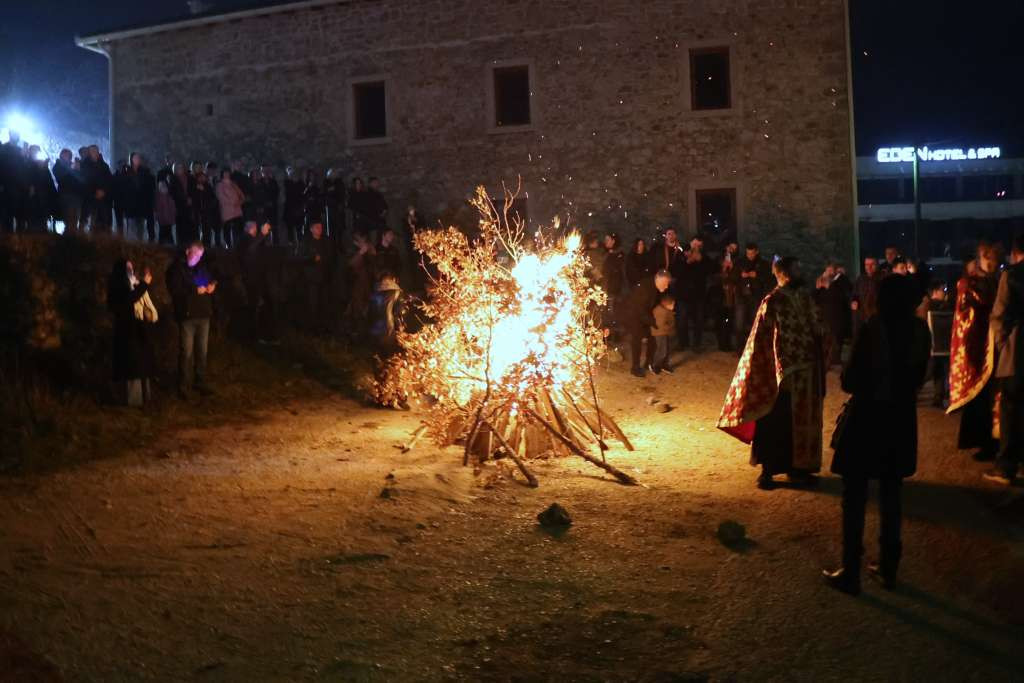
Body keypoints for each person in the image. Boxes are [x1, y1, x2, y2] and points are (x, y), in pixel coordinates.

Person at [824, 275, 931, 595]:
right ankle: (888, 569)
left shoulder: (873, 328)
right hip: (900, 419)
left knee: (855, 495)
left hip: (868, 417)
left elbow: (851, 379)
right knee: (891, 494)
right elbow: (918, 377)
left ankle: (851, 571)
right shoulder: (920, 331)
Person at [718, 257, 827, 489]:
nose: (799, 273)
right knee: (774, 421)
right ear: (783, 274)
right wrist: (766, 369)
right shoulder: (773, 301)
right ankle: (767, 471)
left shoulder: (806, 298)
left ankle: (799, 470)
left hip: (806, 372)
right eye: (795, 270)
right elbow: (761, 339)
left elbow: (818, 328)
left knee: (803, 422)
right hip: (781, 375)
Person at [948, 242, 1001, 461]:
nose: (989, 261)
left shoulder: (1000, 280)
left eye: (993, 257)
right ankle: (984, 442)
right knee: (981, 399)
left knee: (998, 398)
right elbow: (969, 315)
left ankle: (998, 442)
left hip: (998, 347)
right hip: (979, 347)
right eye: (985, 257)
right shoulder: (969, 284)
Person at [985, 235, 1024, 485]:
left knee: (1011, 407)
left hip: (1018, 350)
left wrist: (1003, 344)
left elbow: (999, 316)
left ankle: (1006, 465)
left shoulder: (1011, 275)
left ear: (1016, 253)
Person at [166, 242, 216, 399]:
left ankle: (199, 381)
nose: (197, 258)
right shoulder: (176, 269)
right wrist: (194, 290)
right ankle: (183, 386)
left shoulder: (201, 267)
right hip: (187, 316)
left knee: (202, 351)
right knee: (186, 352)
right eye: (195, 254)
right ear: (187, 251)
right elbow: (175, 289)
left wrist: (212, 285)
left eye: (200, 256)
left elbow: (212, 279)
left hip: (203, 314)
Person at [107, 259, 158, 406]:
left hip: (137, 329)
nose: (130, 270)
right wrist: (143, 285)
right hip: (126, 330)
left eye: (131, 267)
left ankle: (144, 398)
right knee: (131, 366)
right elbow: (129, 299)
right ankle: (133, 401)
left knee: (142, 364)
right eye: (127, 268)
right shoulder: (118, 286)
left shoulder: (131, 283)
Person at [620, 269, 672, 378]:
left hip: (645, 314)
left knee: (652, 339)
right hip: (633, 315)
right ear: (659, 280)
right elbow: (639, 309)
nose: (667, 287)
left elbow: (654, 304)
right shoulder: (644, 288)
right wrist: (653, 321)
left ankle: (649, 362)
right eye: (665, 284)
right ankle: (635, 367)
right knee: (636, 341)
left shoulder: (657, 288)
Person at [297, 220, 336, 333]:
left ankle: (323, 326)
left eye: (321, 227)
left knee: (324, 302)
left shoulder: (325, 241)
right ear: (312, 229)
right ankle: (312, 327)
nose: (320, 229)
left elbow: (330, 256)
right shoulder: (307, 242)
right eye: (317, 227)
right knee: (312, 302)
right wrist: (312, 259)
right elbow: (301, 258)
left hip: (324, 277)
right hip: (311, 278)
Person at [731, 242, 771, 352]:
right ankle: (740, 348)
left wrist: (757, 275)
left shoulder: (763, 264)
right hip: (741, 296)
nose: (750, 256)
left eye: (752, 253)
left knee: (756, 324)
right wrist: (740, 275)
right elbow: (732, 277)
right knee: (739, 323)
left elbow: (768, 278)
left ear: (756, 252)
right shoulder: (740, 262)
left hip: (756, 296)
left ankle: (755, 348)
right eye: (748, 253)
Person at [815, 260, 853, 366]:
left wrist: (829, 286)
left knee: (836, 347)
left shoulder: (841, 282)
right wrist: (818, 288)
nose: (829, 273)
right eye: (827, 271)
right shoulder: (823, 283)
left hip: (837, 320)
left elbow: (843, 297)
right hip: (825, 320)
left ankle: (835, 365)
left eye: (831, 270)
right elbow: (816, 298)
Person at [678, 236, 712, 352]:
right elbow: (677, 271)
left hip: (698, 294)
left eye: (699, 245)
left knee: (698, 320)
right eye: (695, 244)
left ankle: (697, 344)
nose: (696, 247)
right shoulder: (682, 253)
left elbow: (709, 270)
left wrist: (701, 260)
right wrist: (687, 262)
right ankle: (683, 343)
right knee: (682, 319)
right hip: (684, 293)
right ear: (691, 243)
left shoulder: (703, 256)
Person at [925, 281, 953, 407]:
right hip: (934, 345)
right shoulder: (930, 306)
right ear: (935, 292)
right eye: (942, 290)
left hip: (938, 346)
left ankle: (938, 397)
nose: (944, 292)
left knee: (939, 372)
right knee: (931, 372)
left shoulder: (927, 305)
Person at [52, 149, 83, 233]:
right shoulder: (58, 166)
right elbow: (60, 177)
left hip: (76, 196)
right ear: (61, 156)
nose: (68, 157)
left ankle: (72, 238)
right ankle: (69, 240)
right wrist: (71, 168)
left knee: (74, 220)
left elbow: (80, 179)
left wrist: (79, 169)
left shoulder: (72, 165)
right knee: (69, 221)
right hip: (66, 196)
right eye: (66, 155)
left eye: (69, 155)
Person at [851, 256, 881, 338]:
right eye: (867, 264)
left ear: (877, 265)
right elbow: (854, 294)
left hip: (876, 319)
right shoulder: (860, 279)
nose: (869, 267)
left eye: (872, 264)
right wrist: (854, 301)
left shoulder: (882, 279)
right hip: (861, 318)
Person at [216, 168, 245, 248]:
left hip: (237, 211)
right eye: (225, 173)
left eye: (228, 173)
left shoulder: (233, 184)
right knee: (227, 230)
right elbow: (221, 197)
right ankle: (228, 247)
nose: (227, 175)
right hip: (227, 211)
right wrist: (232, 203)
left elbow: (241, 195)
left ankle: (238, 247)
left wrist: (240, 202)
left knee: (238, 230)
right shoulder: (219, 185)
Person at [650, 292, 675, 374]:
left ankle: (665, 365)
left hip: (665, 332)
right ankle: (655, 365)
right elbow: (660, 325)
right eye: (672, 305)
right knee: (662, 350)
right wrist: (669, 328)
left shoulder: (666, 310)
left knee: (667, 349)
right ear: (666, 304)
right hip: (660, 333)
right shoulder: (660, 312)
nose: (673, 307)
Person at [155, 181, 177, 245]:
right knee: (163, 232)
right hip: (163, 219)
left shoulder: (169, 197)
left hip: (168, 218)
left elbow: (173, 208)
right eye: (161, 187)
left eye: (164, 187)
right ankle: (164, 244)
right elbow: (158, 209)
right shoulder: (158, 198)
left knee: (167, 232)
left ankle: (167, 244)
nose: (163, 189)